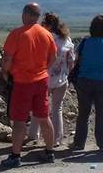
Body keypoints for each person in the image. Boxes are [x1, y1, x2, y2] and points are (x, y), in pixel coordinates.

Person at [0, 3, 58, 168]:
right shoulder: (46, 34)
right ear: (37, 16)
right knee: (44, 117)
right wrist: (42, 69)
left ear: (25, 14)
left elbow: (7, 59)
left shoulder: (17, 34)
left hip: (22, 82)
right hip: (41, 81)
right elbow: (53, 58)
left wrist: (5, 73)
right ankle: (49, 152)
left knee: (19, 121)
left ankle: (15, 156)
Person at [71, 14, 103, 152]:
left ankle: (79, 143)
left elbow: (76, 60)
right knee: (102, 113)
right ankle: (102, 144)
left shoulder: (85, 42)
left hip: (84, 80)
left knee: (83, 113)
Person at [27, 13, 75, 147]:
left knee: (38, 107)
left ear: (46, 25)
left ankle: (33, 135)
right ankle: (57, 139)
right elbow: (71, 61)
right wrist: (66, 73)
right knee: (57, 109)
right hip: (61, 79)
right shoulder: (66, 40)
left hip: (43, 79)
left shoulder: (43, 38)